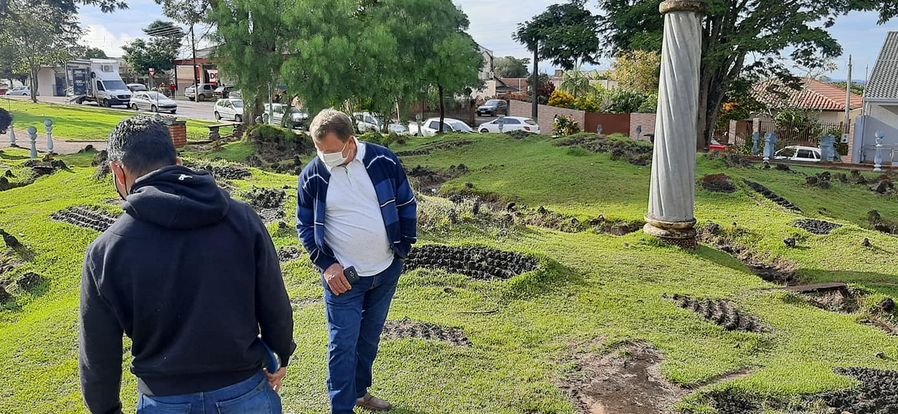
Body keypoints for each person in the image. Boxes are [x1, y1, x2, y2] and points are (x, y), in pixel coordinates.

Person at [79, 116, 295, 414]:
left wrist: (106, 409)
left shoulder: (107, 249)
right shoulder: (242, 219)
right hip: (244, 391)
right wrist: (280, 354)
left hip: (164, 400)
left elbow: (98, 351)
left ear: (118, 170)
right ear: (177, 161)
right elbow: (275, 304)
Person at [297, 109, 417, 414]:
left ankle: (360, 393)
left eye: (331, 152)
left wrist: (403, 248)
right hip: (343, 280)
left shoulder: (383, 161)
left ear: (350, 142)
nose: (325, 158)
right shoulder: (313, 175)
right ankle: (342, 408)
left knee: (369, 340)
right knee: (343, 344)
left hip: (385, 271)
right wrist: (326, 265)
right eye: (319, 150)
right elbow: (305, 225)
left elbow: (405, 203)